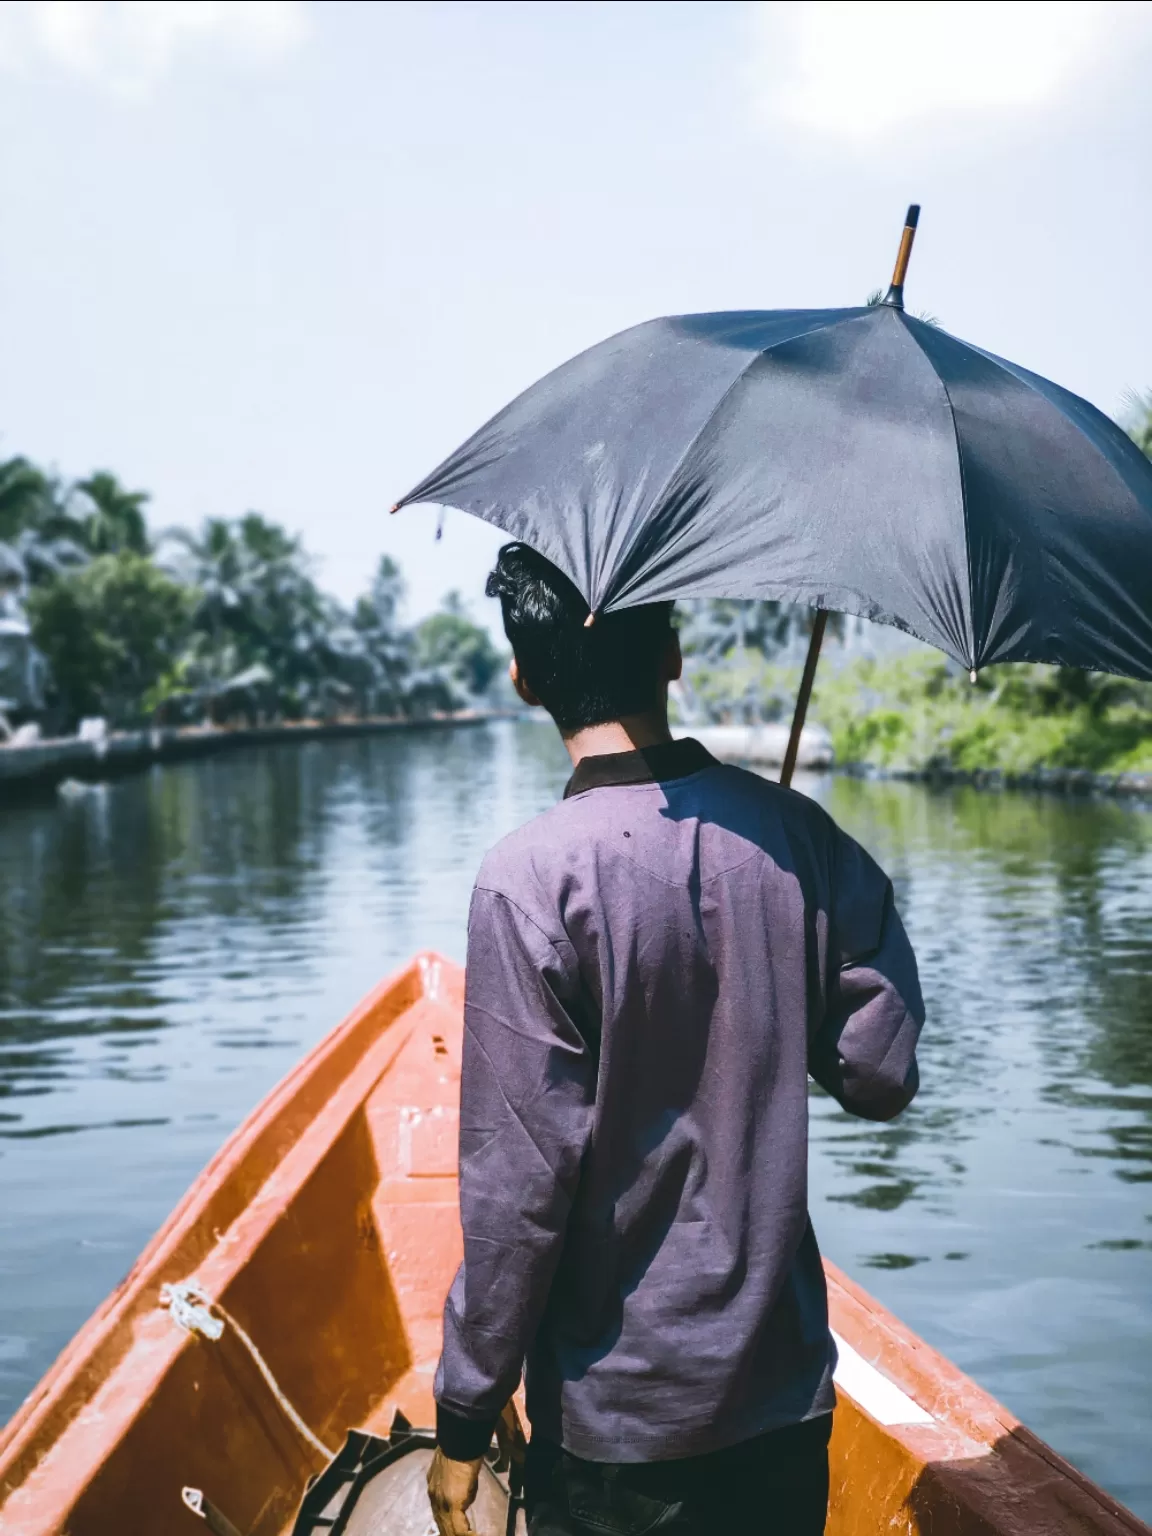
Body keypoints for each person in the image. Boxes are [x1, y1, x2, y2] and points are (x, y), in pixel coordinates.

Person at [427, 543, 924, 1536]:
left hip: (618, 1420)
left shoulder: (527, 882)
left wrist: (464, 1422)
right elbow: (879, 1073)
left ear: (525, 678)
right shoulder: (798, 839)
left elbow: (518, 1193)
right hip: (781, 1398)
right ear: (674, 656)